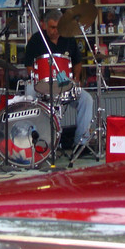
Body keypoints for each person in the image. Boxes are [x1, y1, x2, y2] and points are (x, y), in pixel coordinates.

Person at [23, 8, 94, 149]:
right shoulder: (37, 40)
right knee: (29, 93)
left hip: (62, 78)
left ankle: (81, 142)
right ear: (44, 25)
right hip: (41, 78)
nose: (55, 31)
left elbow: (77, 62)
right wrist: (36, 78)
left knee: (86, 99)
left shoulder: (69, 38)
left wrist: (76, 79)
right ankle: (31, 141)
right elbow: (29, 65)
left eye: (58, 27)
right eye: (52, 27)